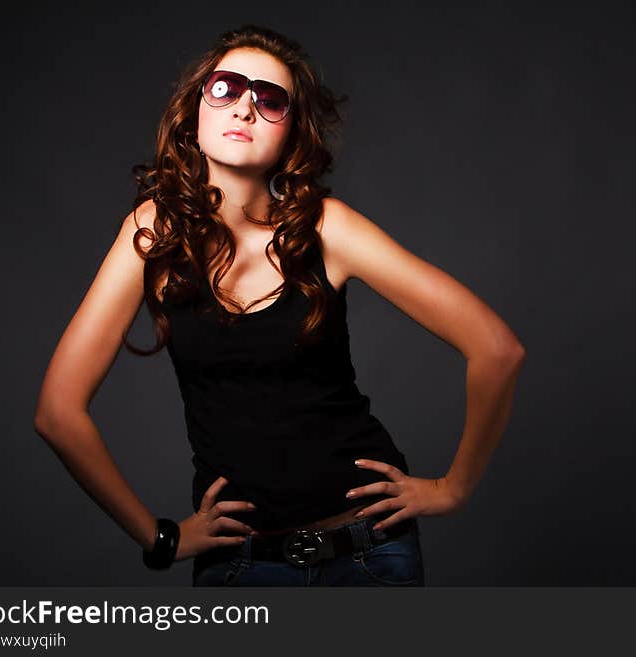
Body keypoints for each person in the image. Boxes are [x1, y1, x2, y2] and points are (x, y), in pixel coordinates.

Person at [34, 24, 525, 586]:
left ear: (293, 134)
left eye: (270, 100)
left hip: (367, 554)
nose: (244, 107)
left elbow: (496, 349)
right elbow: (58, 412)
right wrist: (160, 537)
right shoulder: (153, 234)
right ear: (195, 113)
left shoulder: (328, 231)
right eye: (226, 88)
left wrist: (453, 488)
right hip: (239, 567)